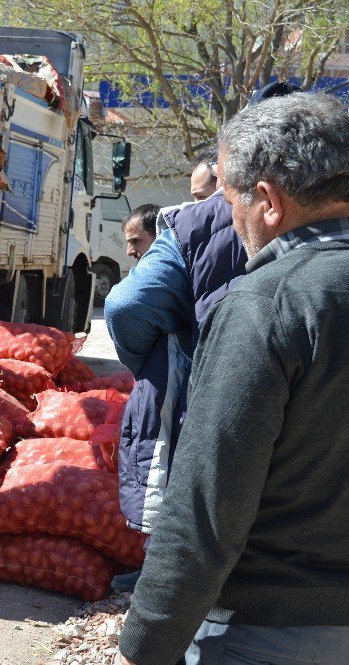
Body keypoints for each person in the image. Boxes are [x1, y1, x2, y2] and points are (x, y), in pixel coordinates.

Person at [118, 92, 349, 665]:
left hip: (269, 634)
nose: (230, 222)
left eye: (228, 203)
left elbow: (207, 509)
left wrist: (144, 644)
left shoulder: (269, 303)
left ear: (268, 201)